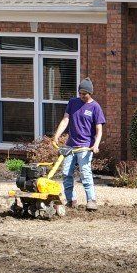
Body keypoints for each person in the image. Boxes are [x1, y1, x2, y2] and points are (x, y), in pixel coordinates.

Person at [53, 78, 105, 210]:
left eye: (84, 93)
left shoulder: (95, 107)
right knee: (66, 173)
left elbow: (99, 129)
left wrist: (96, 145)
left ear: (90, 93)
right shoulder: (72, 103)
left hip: (85, 146)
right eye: (80, 93)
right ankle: (71, 200)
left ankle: (91, 200)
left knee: (85, 173)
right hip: (70, 145)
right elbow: (65, 120)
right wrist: (56, 136)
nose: (82, 96)